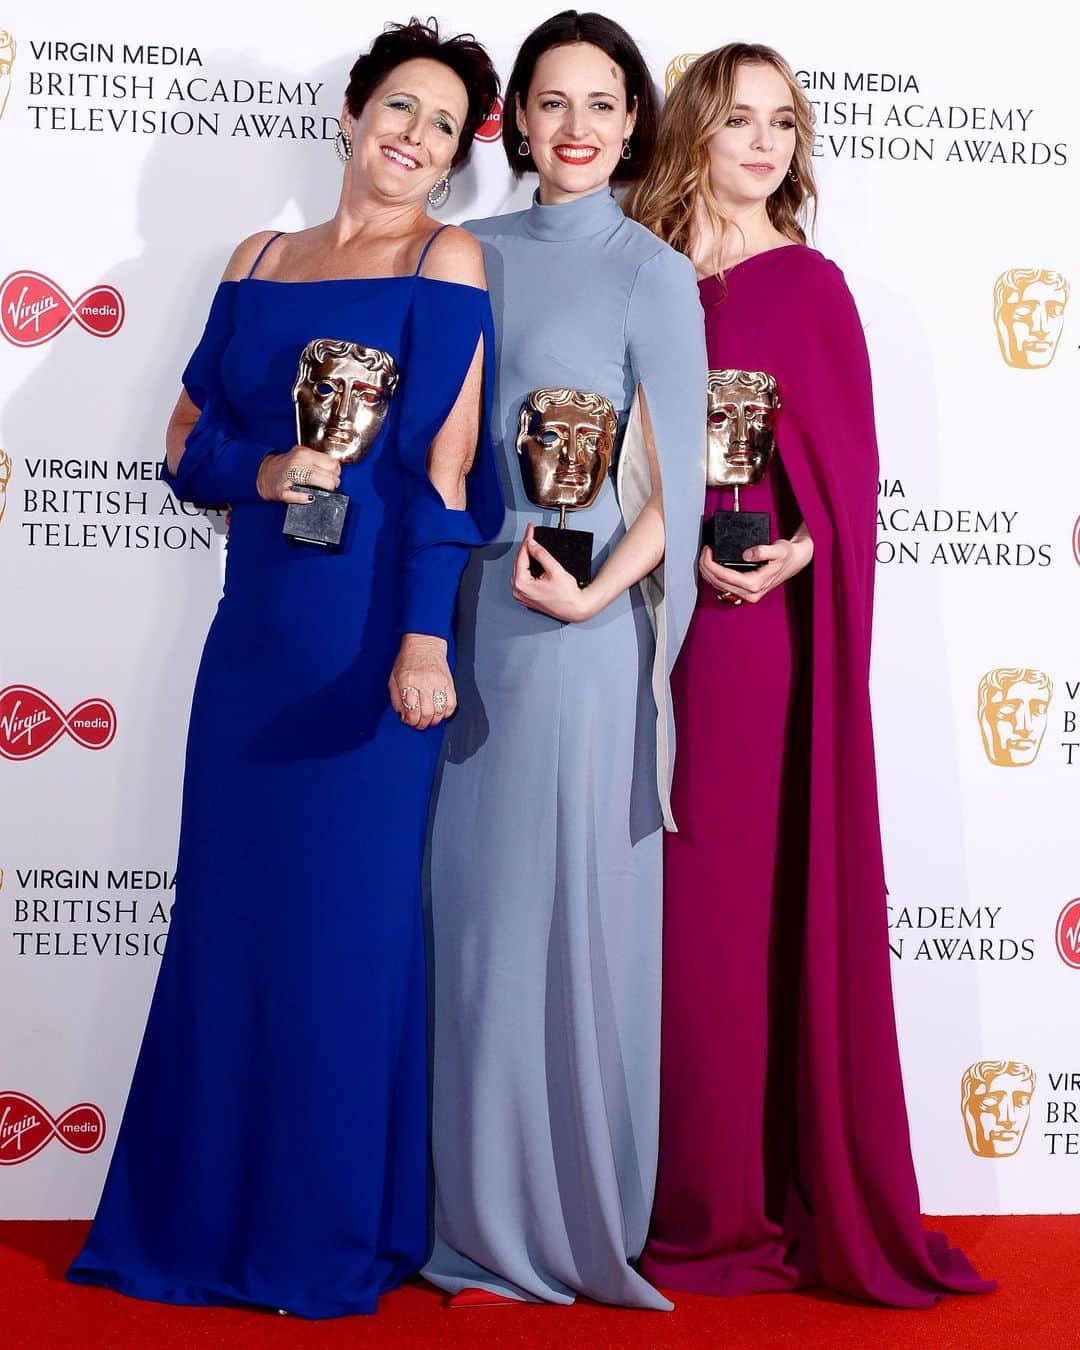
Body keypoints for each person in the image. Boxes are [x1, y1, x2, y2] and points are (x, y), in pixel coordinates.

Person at [67, 20, 502, 1318]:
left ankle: (323, 1231)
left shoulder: (448, 259)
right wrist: (261, 472)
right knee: (230, 929)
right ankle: (195, 1220)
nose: (411, 135)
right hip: (251, 644)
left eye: (440, 123)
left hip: (371, 652)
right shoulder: (257, 260)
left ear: (458, 152)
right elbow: (190, 435)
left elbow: (445, 471)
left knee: (345, 942)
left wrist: (425, 638)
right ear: (353, 113)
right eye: (397, 107)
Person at [625, 43, 994, 1306]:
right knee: (653, 919)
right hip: (627, 623)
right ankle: (634, 1182)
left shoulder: (809, 284)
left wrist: (799, 552)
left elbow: (844, 480)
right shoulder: (647, 271)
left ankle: (731, 1200)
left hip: (750, 641)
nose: (767, 143)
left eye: (785, 122)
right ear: (695, 133)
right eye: (740, 121)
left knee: (727, 914)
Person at [422, 9, 706, 1311]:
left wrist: (598, 594)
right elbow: (438, 439)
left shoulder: (652, 270)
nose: (577, 127)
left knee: (580, 924)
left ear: (632, 121)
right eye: (552, 102)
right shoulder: (464, 254)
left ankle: (583, 1215)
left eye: (601, 103)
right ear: (516, 121)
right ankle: (473, 1216)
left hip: (587, 644)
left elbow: (686, 481)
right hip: (477, 625)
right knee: (480, 927)